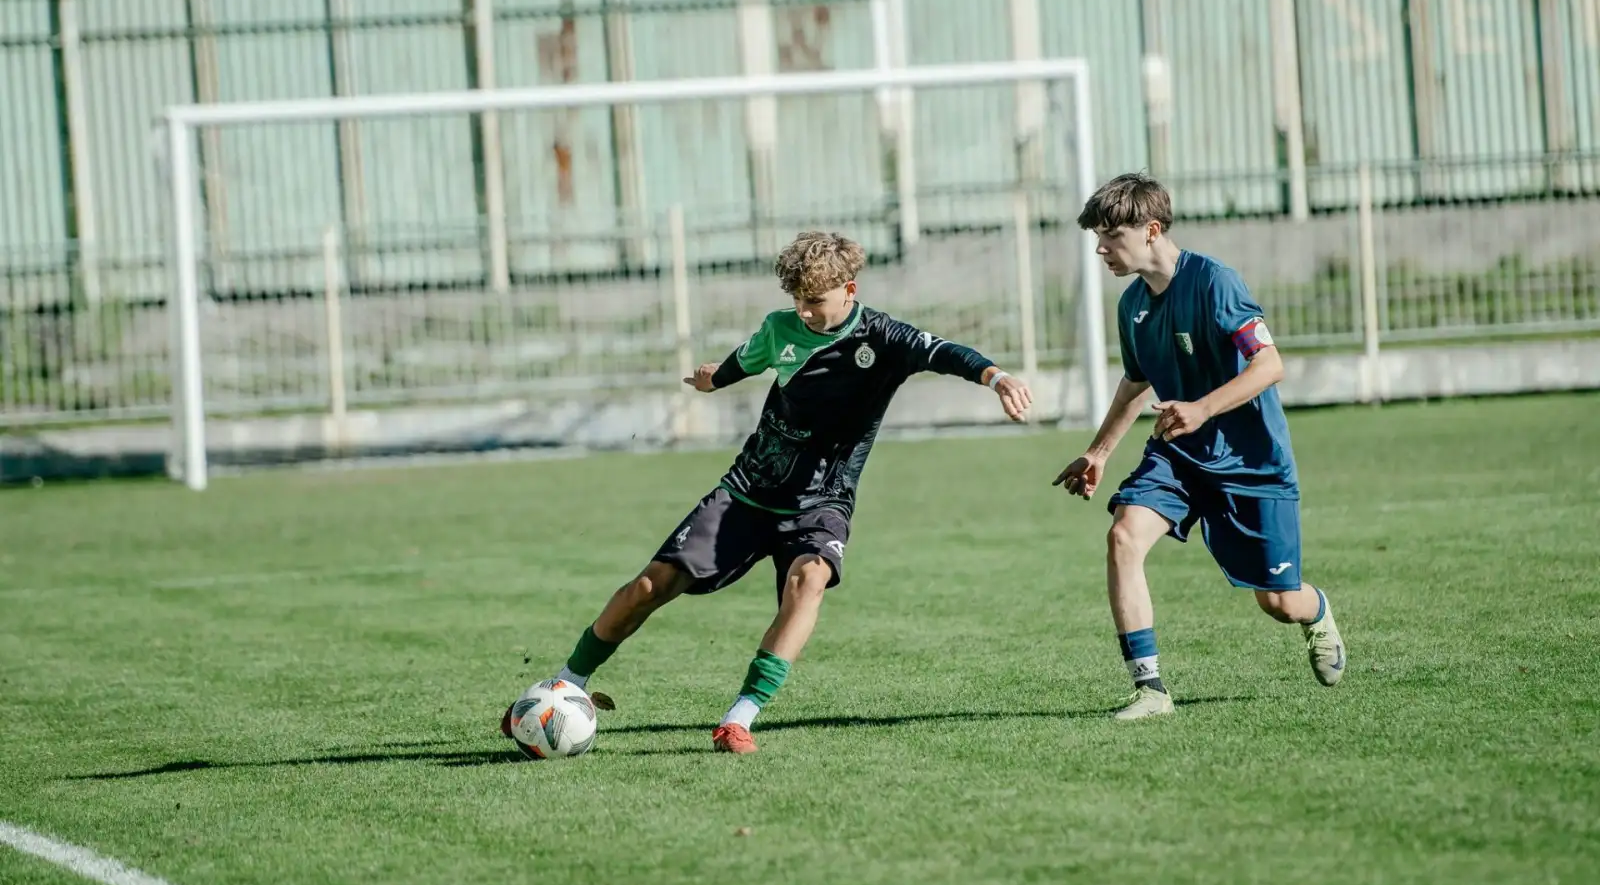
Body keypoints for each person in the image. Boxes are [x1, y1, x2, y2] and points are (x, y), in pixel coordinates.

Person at [505, 230, 1034, 753]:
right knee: (650, 586)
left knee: (808, 584)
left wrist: (997, 378)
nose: (804, 311)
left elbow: (946, 352)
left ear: (849, 289)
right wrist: (716, 379)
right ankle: (563, 684)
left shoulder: (884, 339)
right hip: (747, 491)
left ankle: (740, 718)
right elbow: (746, 360)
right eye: (798, 300)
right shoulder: (780, 328)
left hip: (822, 501)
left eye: (815, 301)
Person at [1053, 173, 1346, 720]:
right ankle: (1151, 689)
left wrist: (1203, 407)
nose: (1100, 248)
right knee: (1123, 536)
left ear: (1152, 230)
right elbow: (1135, 383)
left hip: (1250, 460)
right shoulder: (1132, 306)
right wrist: (1099, 452)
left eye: (1111, 235)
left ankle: (1317, 610)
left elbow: (1270, 364)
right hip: (1179, 454)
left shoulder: (1216, 283)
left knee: (1279, 602)